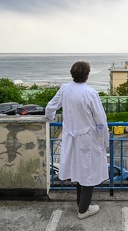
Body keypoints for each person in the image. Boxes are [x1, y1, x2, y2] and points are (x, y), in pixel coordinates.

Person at [45, 61, 109, 219]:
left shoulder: (64, 89)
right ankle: (83, 210)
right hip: (87, 138)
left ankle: (80, 203)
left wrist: (50, 117)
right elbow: (101, 121)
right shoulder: (90, 93)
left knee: (78, 171)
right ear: (87, 75)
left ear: (72, 73)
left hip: (70, 137)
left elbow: (50, 107)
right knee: (88, 173)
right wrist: (104, 141)